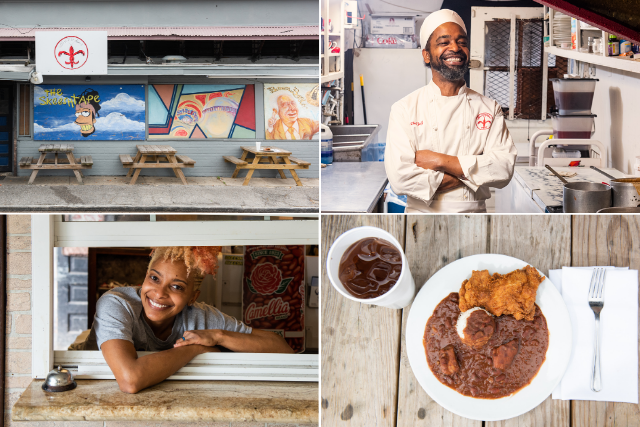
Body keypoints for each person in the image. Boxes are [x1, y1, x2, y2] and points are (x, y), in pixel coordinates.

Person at [85, 246, 293, 394]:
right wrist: (195, 349)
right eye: (154, 278)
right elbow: (130, 380)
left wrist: (218, 336)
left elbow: (282, 350)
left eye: (177, 287)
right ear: (145, 277)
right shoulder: (117, 303)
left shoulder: (201, 316)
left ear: (193, 297)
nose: (159, 293)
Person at [384, 9, 517, 213]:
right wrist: (475, 174)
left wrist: (439, 161)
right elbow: (400, 180)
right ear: (427, 55)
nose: (455, 47)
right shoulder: (404, 109)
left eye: (461, 42)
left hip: (474, 218)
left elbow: (503, 169)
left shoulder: (489, 108)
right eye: (444, 42)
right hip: (422, 218)